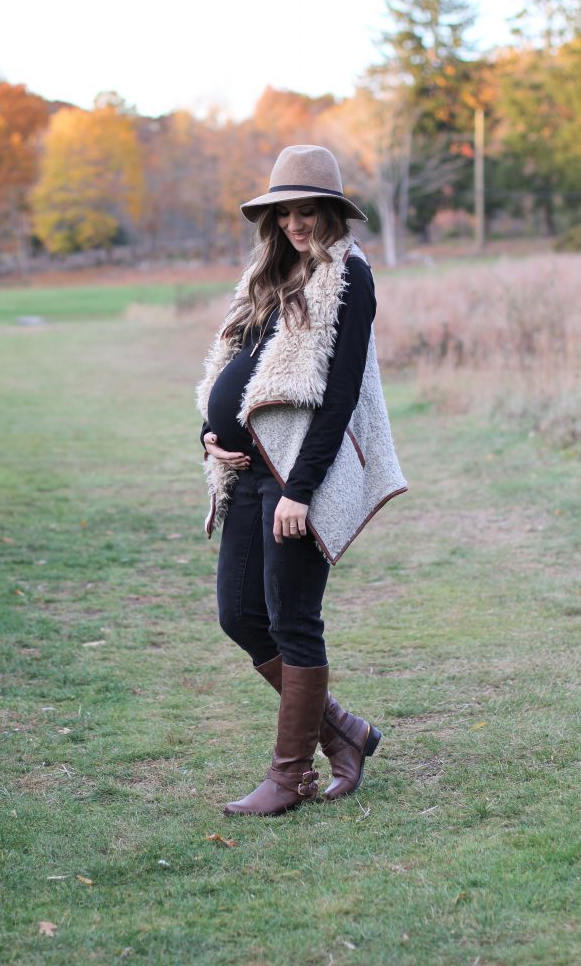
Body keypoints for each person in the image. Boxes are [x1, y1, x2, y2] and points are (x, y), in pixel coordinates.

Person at [196, 145, 407, 817]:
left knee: (292, 620)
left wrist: (300, 490)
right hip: (246, 472)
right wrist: (206, 434)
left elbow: (338, 394)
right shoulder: (269, 275)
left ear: (331, 212)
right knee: (238, 613)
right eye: (284, 212)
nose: (295, 223)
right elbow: (236, 371)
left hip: (293, 476)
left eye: (307, 211)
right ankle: (343, 732)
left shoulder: (348, 277)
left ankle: (290, 777)